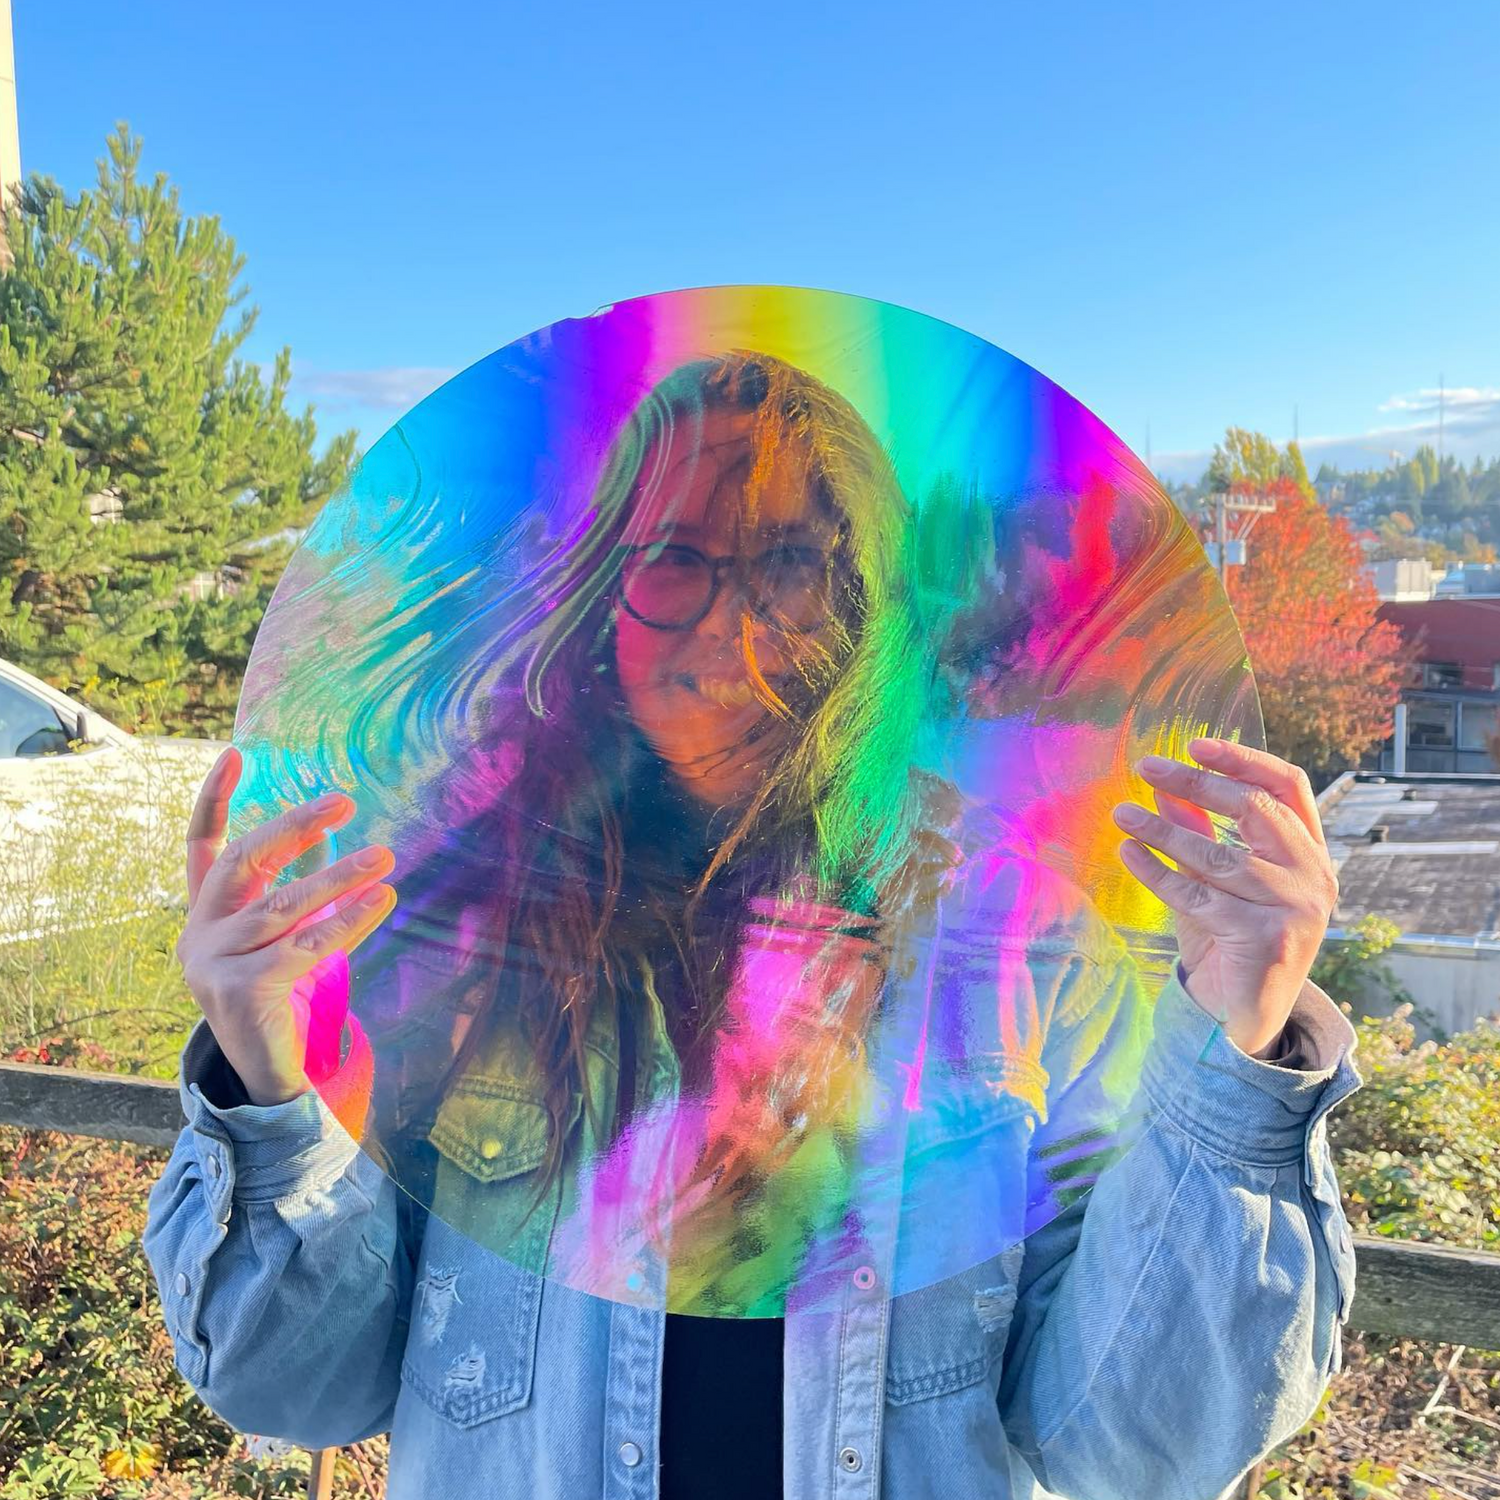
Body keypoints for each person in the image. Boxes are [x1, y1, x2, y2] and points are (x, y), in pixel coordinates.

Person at [145, 352, 1362, 1500]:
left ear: (867, 606)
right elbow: (299, 1386)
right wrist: (269, 1082)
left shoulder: (1019, 942)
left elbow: (1136, 1446)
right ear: (598, 595)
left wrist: (1239, 1045)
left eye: (791, 560)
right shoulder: (459, 932)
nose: (732, 625)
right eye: (676, 555)